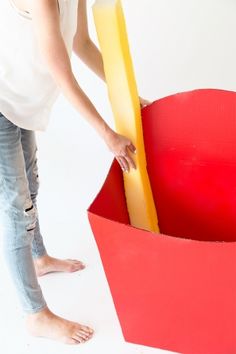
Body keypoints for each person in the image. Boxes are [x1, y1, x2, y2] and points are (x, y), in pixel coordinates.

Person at [0, 0, 150, 345]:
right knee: (14, 205)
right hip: (3, 101)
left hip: (22, 103)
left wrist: (127, 93)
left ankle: (39, 259)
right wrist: (107, 133)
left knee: (30, 185)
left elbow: (80, 43)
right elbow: (60, 70)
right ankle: (35, 314)